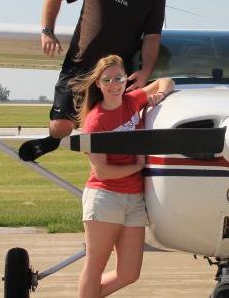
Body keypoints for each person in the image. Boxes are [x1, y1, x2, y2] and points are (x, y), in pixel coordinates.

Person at [19, 0, 166, 162]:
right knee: (60, 127)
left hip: (114, 76)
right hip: (79, 66)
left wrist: (146, 70)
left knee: (105, 132)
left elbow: (152, 37)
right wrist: (47, 31)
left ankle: (109, 176)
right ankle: (52, 140)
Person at [74, 54, 174, 297]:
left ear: (125, 79)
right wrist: (138, 166)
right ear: (98, 83)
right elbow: (103, 171)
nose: (113, 85)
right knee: (95, 265)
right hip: (105, 197)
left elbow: (166, 81)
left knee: (129, 272)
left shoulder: (132, 101)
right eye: (107, 80)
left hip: (134, 200)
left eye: (118, 78)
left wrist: (159, 95)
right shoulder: (94, 122)